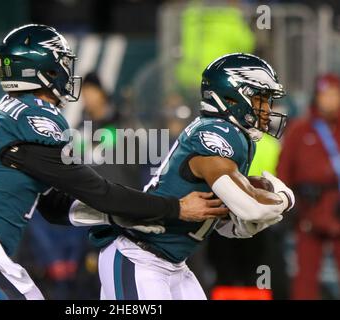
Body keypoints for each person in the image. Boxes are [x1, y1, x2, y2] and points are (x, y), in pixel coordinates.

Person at [0, 24, 227, 300]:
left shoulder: (9, 112)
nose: (66, 73)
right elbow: (95, 189)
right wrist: (174, 208)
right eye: (60, 64)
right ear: (40, 70)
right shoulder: (36, 115)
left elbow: (54, 205)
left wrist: (120, 218)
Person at [30, 53, 296, 300]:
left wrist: (237, 222)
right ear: (232, 98)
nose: (266, 108)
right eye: (260, 98)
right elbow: (251, 207)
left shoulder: (235, 138)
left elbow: (224, 218)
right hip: (139, 259)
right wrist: (284, 199)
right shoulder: (216, 134)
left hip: (174, 264)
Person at [277, 73, 340, 299]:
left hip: (337, 209)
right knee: (305, 276)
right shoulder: (299, 130)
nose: (329, 100)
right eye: (325, 95)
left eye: (334, 95)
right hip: (308, 211)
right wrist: (288, 204)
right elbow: (283, 170)